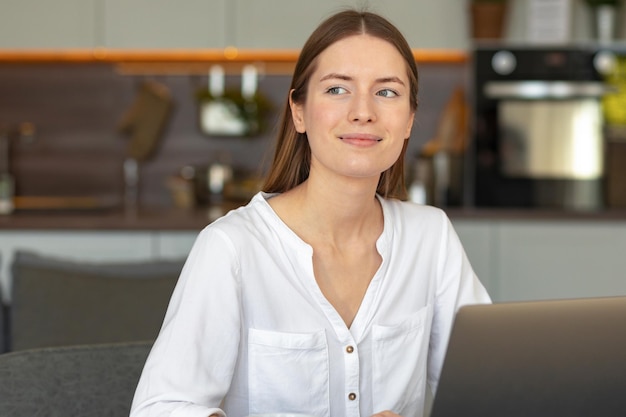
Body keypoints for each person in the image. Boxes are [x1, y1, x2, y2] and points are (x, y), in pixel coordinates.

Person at [130, 8, 490, 417]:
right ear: (298, 111)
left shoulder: (432, 238)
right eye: (337, 89)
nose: (363, 111)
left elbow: (488, 389)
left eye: (386, 92)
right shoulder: (233, 248)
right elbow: (161, 409)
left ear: (409, 120)